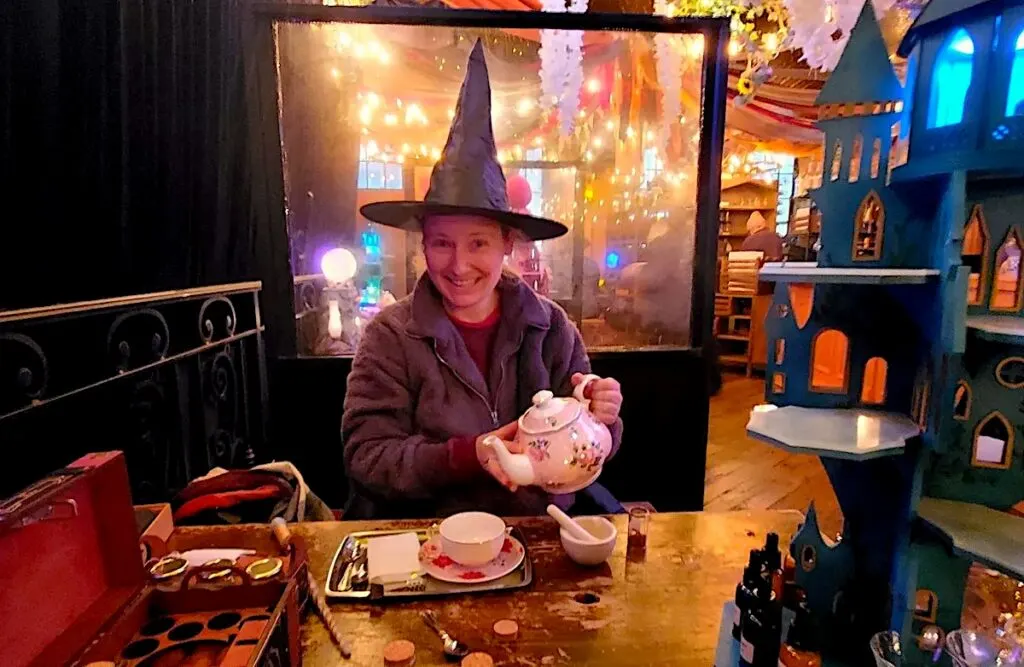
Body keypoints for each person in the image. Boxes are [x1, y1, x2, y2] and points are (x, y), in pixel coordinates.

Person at [342, 41, 624, 519]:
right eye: (441, 243)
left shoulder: (550, 328)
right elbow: (367, 458)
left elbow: (594, 449)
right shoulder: (390, 337)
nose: (458, 265)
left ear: (507, 245)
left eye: (478, 243)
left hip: (536, 526)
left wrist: (602, 416)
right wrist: (469, 454)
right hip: (430, 532)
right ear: (424, 245)